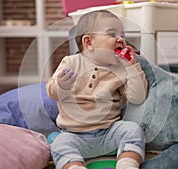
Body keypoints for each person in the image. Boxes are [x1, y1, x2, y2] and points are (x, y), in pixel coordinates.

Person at [46, 10, 148, 169]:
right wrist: (62, 85)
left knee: (133, 130)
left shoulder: (120, 69)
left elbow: (138, 98)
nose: (120, 39)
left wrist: (132, 67)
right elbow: (52, 93)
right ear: (89, 43)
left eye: (123, 35)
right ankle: (75, 166)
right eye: (112, 34)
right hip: (74, 135)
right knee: (59, 144)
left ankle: (127, 164)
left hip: (109, 132)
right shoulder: (71, 63)